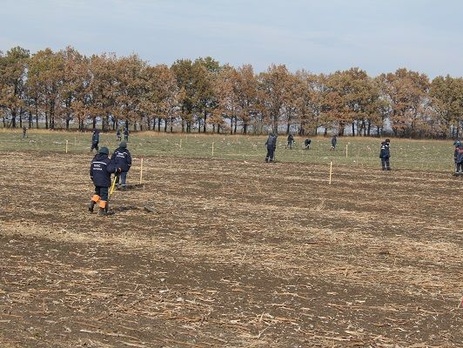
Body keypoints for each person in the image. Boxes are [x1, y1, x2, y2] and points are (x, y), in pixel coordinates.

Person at [88, 147, 120, 216]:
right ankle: (101, 211)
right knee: (104, 196)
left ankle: (92, 202)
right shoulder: (107, 161)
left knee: (97, 193)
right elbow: (110, 169)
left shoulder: (94, 160)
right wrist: (117, 169)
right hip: (104, 181)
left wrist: (93, 178)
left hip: (96, 181)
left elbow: (91, 171)